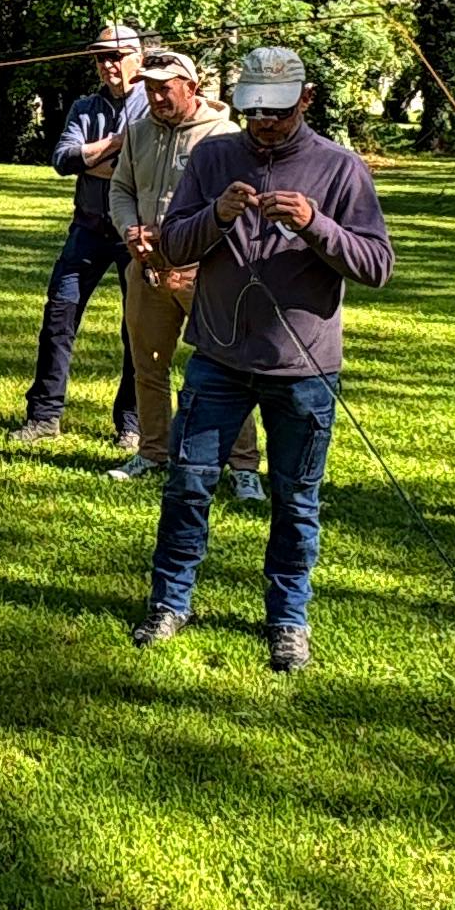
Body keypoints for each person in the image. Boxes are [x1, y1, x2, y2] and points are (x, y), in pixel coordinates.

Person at [140, 43, 392, 674]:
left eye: (277, 111)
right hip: (218, 358)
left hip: (304, 367)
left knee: (295, 498)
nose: (265, 124)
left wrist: (316, 225)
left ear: (306, 100)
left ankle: (288, 618)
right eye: (254, 112)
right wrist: (216, 216)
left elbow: (377, 266)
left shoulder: (340, 168)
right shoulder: (213, 157)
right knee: (188, 484)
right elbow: (170, 246)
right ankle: (170, 603)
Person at [103, 49, 259, 492]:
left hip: (205, 271)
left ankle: (244, 466)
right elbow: (120, 189)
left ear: (191, 88)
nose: (155, 97)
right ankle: (153, 451)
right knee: (146, 365)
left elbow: (234, 204)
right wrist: (129, 227)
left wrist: (174, 231)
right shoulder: (136, 133)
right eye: (149, 88)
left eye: (164, 88)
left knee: (228, 367)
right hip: (147, 267)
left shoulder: (224, 136)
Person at [14, 21, 147, 446]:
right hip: (87, 227)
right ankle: (44, 415)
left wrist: (95, 159)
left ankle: (131, 424)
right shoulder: (84, 107)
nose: (108, 64)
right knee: (59, 316)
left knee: (137, 329)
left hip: (135, 232)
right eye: (101, 57)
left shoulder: (153, 104)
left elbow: (146, 170)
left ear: (138, 57)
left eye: (116, 55)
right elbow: (63, 159)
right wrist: (114, 146)